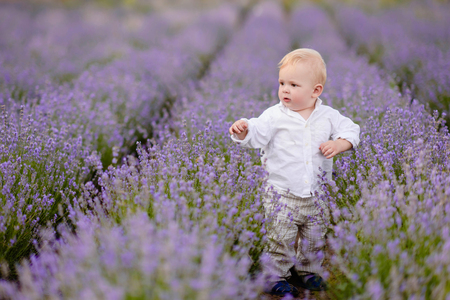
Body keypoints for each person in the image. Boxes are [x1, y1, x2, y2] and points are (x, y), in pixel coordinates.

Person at [229, 48, 360, 297]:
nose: (285, 89)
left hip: (317, 194)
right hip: (281, 194)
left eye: (293, 84)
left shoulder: (328, 116)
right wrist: (243, 130)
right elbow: (256, 132)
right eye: (282, 83)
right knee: (281, 237)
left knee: (314, 237)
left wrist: (339, 144)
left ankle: (308, 270)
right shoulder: (274, 116)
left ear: (315, 91)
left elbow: (352, 129)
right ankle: (275, 275)